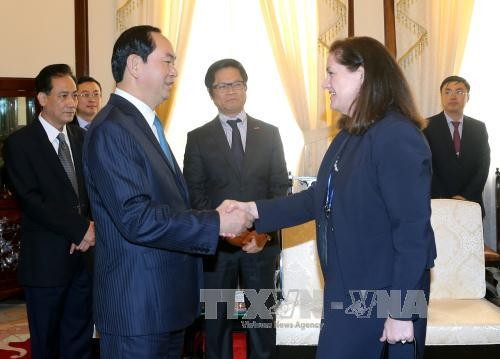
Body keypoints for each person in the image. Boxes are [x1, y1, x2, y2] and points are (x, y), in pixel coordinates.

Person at [221, 37, 437, 358]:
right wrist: (251, 210)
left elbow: (412, 232)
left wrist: (401, 312)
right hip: (347, 291)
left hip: (383, 296)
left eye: (331, 72)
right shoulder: (350, 136)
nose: (325, 82)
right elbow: (314, 200)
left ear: (362, 74)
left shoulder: (396, 136)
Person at [83, 25, 251, 358]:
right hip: (138, 312)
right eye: (167, 61)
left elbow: (171, 203)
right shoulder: (113, 129)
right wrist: (214, 223)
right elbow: (137, 217)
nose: (174, 72)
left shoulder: (141, 124)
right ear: (135, 65)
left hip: (163, 305)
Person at [183, 58, 289, 359]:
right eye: (222, 85)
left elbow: (279, 187)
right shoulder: (198, 138)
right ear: (211, 93)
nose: (231, 91)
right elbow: (196, 194)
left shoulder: (269, 134)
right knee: (217, 325)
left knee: (261, 321)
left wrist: (263, 233)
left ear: (246, 88)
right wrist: (226, 234)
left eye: (237, 84)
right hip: (218, 250)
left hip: (260, 245)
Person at [4, 64, 95, 358]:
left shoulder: (83, 139)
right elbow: (32, 200)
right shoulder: (20, 143)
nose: (72, 103)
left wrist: (90, 228)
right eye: (64, 96)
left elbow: (94, 191)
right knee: (47, 343)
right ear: (42, 99)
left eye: (74, 95)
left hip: (84, 257)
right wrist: (79, 228)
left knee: (79, 337)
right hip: (46, 262)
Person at [423, 76, 490, 216]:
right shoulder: (426, 127)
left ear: (468, 97)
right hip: (438, 204)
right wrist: (446, 199)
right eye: (447, 92)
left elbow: (483, 167)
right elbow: (426, 166)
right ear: (441, 97)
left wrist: (466, 196)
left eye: (459, 92)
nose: (452, 96)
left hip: (471, 203)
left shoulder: (479, 128)